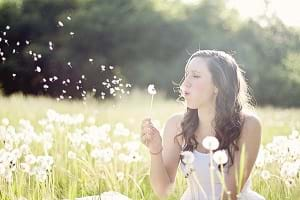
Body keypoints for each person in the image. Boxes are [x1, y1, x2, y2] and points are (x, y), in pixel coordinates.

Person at [140, 50, 265, 200]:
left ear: (218, 86)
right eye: (186, 75)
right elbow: (163, 190)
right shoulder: (176, 125)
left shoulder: (248, 125)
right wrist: (155, 150)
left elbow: (230, 195)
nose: (185, 83)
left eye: (196, 76)